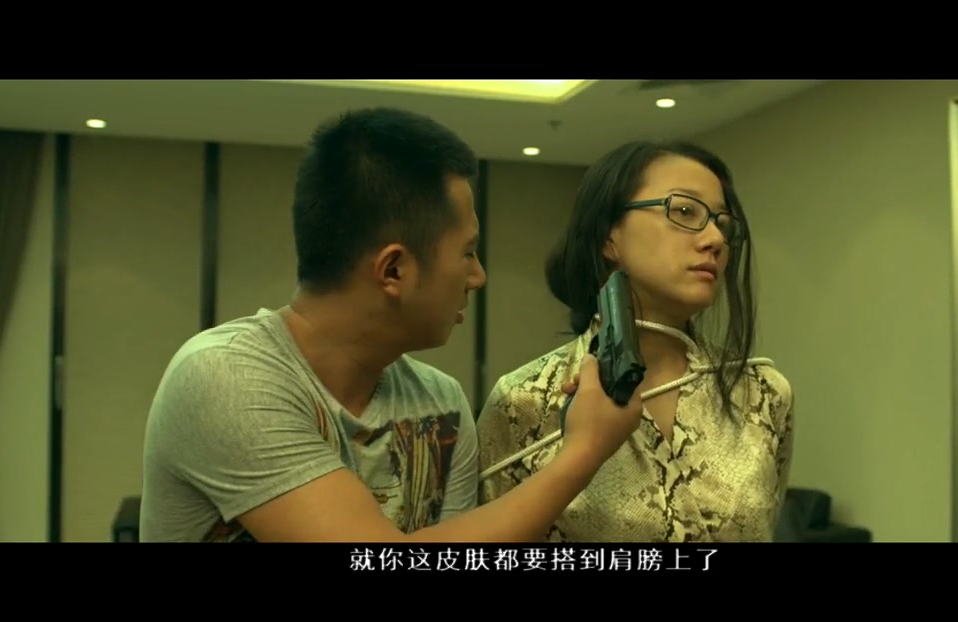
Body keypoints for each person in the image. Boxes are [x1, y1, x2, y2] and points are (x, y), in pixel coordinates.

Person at [139, 107, 643, 543]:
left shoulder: (440, 402)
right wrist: (583, 451)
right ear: (394, 270)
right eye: (467, 253)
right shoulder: (225, 377)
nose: (479, 277)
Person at [477, 140, 795, 542]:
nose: (715, 238)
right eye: (685, 211)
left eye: (723, 223)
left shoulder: (763, 393)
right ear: (609, 237)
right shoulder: (524, 400)